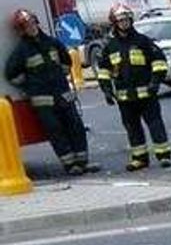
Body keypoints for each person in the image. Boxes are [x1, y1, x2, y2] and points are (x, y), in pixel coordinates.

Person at [4, 9, 99, 176]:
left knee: (76, 127)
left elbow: (66, 63)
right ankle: (70, 165)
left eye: (33, 23)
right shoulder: (21, 51)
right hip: (43, 101)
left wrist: (60, 77)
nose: (31, 27)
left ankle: (83, 161)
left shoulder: (52, 43)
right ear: (22, 30)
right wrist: (30, 86)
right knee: (56, 132)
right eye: (27, 26)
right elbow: (11, 74)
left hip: (63, 94)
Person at [96, 3, 171, 171]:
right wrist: (107, 91)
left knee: (155, 124)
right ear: (115, 23)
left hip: (147, 95)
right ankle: (139, 159)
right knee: (132, 128)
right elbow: (103, 71)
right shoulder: (110, 46)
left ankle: (164, 156)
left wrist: (155, 82)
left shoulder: (142, 41)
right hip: (125, 98)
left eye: (127, 19)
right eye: (121, 20)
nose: (125, 23)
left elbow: (159, 62)